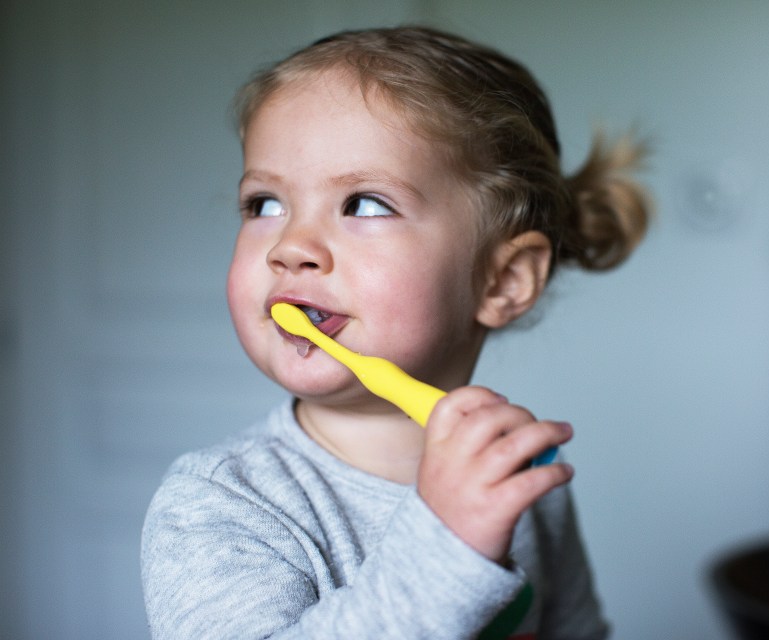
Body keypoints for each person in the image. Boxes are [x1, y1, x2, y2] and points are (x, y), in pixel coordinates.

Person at [141, 25, 649, 639]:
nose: (290, 247)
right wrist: (446, 547)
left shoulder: (515, 472)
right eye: (264, 204)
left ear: (503, 280)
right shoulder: (221, 504)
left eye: (364, 203)